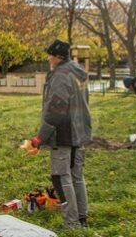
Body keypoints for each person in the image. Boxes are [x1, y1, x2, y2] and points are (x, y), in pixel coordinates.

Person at [30, 39, 91, 228]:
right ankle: (81, 216)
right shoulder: (76, 72)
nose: (48, 58)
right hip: (79, 132)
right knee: (76, 176)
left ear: (58, 57)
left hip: (64, 134)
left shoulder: (60, 75)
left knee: (60, 177)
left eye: (50, 54)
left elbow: (56, 109)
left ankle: (71, 223)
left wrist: (41, 136)